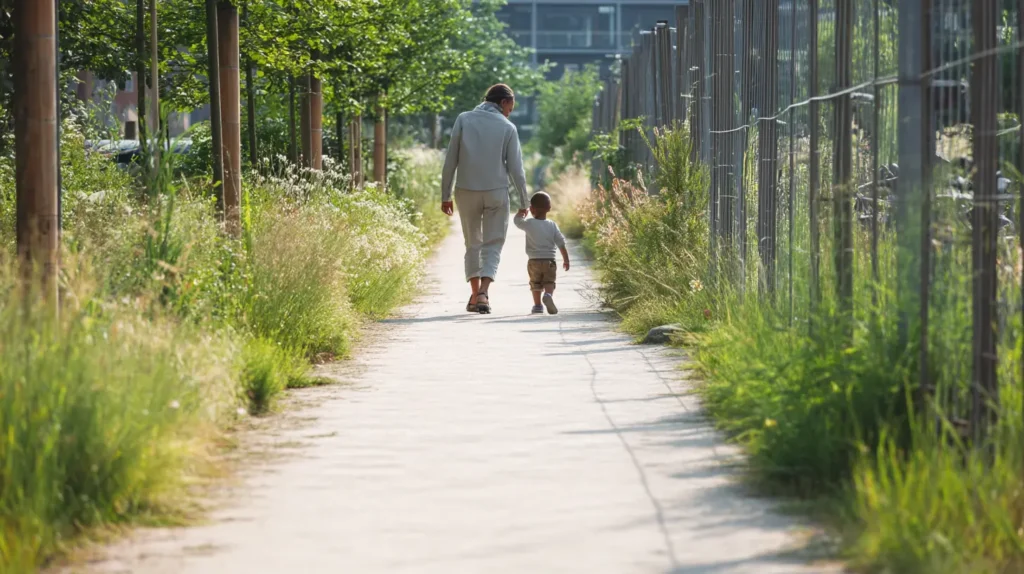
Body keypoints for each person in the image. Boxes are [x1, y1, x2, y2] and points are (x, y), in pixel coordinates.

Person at [440, 83, 529, 315]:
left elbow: (451, 159)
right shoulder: (508, 127)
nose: (511, 110)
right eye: (511, 105)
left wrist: (445, 195)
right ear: (503, 102)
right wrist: (524, 201)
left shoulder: (464, 119)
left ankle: (474, 292)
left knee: (473, 243)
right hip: (496, 191)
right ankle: (484, 293)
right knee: (493, 243)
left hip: (465, 190)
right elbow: (516, 169)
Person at [513, 192, 570, 315]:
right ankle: (548, 295)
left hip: (533, 261)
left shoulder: (528, 223)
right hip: (549, 260)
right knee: (549, 282)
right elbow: (561, 243)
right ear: (549, 208)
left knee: (535, 283)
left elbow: (517, 222)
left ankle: (538, 305)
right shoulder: (552, 225)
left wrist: (521, 213)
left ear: (532, 208)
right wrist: (566, 259)